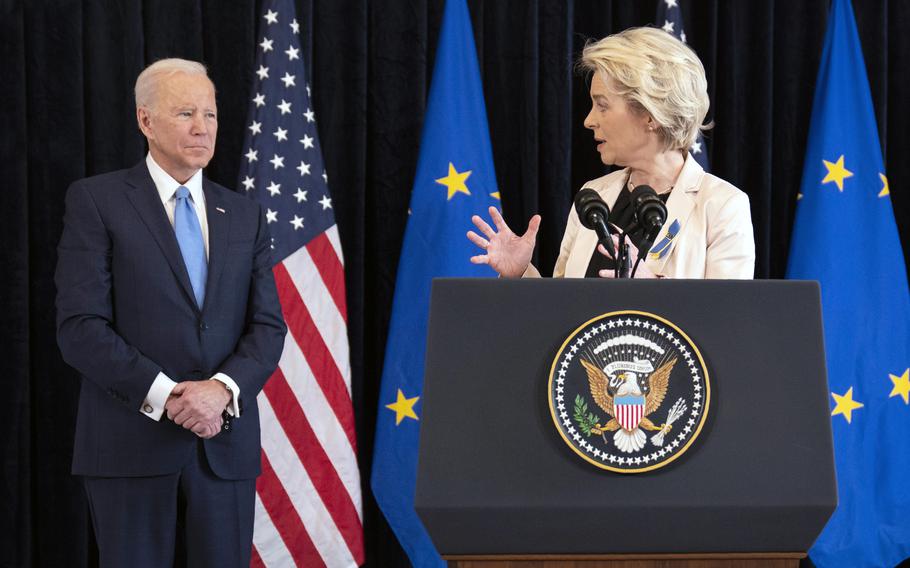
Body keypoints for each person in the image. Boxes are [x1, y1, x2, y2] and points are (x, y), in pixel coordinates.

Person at [55, 58, 286, 567]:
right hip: (128, 448)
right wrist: (171, 396)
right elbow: (80, 328)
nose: (202, 127)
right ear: (145, 121)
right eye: (185, 113)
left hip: (222, 449)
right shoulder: (97, 201)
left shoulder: (244, 214)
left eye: (210, 113)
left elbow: (268, 326)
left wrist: (220, 391)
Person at [467, 27, 755, 279]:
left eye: (602, 105)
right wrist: (521, 274)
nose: (589, 120)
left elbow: (728, 325)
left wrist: (653, 290)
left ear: (650, 115)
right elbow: (562, 316)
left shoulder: (722, 206)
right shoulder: (594, 196)